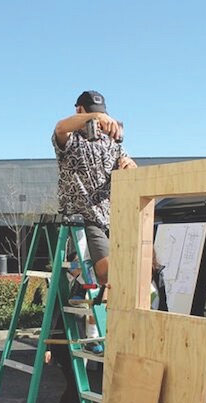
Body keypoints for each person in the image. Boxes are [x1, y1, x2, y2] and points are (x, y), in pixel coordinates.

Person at [53, 90, 137, 287]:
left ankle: (78, 274)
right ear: (79, 110)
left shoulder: (112, 143)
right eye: (92, 113)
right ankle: (80, 277)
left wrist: (130, 165)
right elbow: (60, 128)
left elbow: (128, 165)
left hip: (110, 216)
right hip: (82, 215)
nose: (100, 122)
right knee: (108, 271)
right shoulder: (72, 138)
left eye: (101, 114)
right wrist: (94, 117)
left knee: (132, 265)